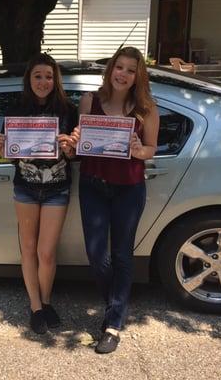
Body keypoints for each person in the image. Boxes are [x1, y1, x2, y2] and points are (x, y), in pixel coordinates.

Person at [68, 46, 159, 354]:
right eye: (118, 67)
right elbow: (80, 147)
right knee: (96, 255)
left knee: (122, 255)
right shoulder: (89, 101)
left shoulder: (145, 108)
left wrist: (138, 149)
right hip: (93, 184)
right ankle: (116, 304)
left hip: (129, 188)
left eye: (130, 70)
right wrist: (75, 140)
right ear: (110, 70)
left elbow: (151, 150)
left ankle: (112, 325)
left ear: (138, 76)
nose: (122, 74)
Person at [0, 53, 77, 334]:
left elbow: (77, 154)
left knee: (47, 252)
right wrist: (0, 146)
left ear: (56, 80)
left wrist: (70, 148)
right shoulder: (16, 109)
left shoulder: (68, 110)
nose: (43, 82)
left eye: (49, 76)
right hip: (25, 187)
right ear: (29, 79)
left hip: (57, 188)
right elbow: (11, 155)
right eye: (38, 76)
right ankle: (35, 307)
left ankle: (48, 300)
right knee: (28, 249)